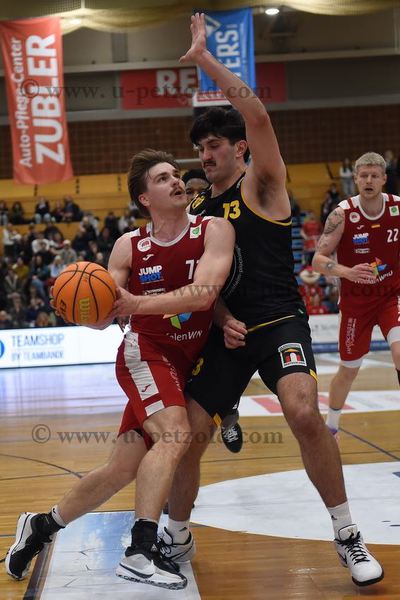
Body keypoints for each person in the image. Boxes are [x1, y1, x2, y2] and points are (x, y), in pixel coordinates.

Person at [161, 13, 383, 588]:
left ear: (239, 148)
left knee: (304, 412)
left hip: (280, 318)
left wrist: (204, 60)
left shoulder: (262, 183)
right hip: (227, 330)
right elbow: (205, 285)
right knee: (187, 435)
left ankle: (347, 533)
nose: (205, 155)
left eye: (214, 145)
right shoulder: (197, 212)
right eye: (199, 148)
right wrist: (222, 318)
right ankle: (176, 534)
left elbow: (257, 115)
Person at [5, 148, 235, 591]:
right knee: (176, 435)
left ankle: (40, 526)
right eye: (163, 178)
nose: (176, 181)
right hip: (144, 354)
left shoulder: (214, 229)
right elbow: (105, 314)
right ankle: (140, 551)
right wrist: (78, 306)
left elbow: (205, 294)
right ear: (144, 198)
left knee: (121, 469)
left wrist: (137, 304)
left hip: (189, 360)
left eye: (175, 175)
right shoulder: (129, 245)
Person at [312, 152, 400, 441]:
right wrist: (346, 272)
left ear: (384, 179)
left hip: (390, 296)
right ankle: (332, 425)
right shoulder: (341, 214)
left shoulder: (397, 208)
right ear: (355, 179)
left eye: (374, 175)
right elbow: (317, 260)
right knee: (348, 370)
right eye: (363, 176)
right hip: (356, 303)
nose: (369, 180)